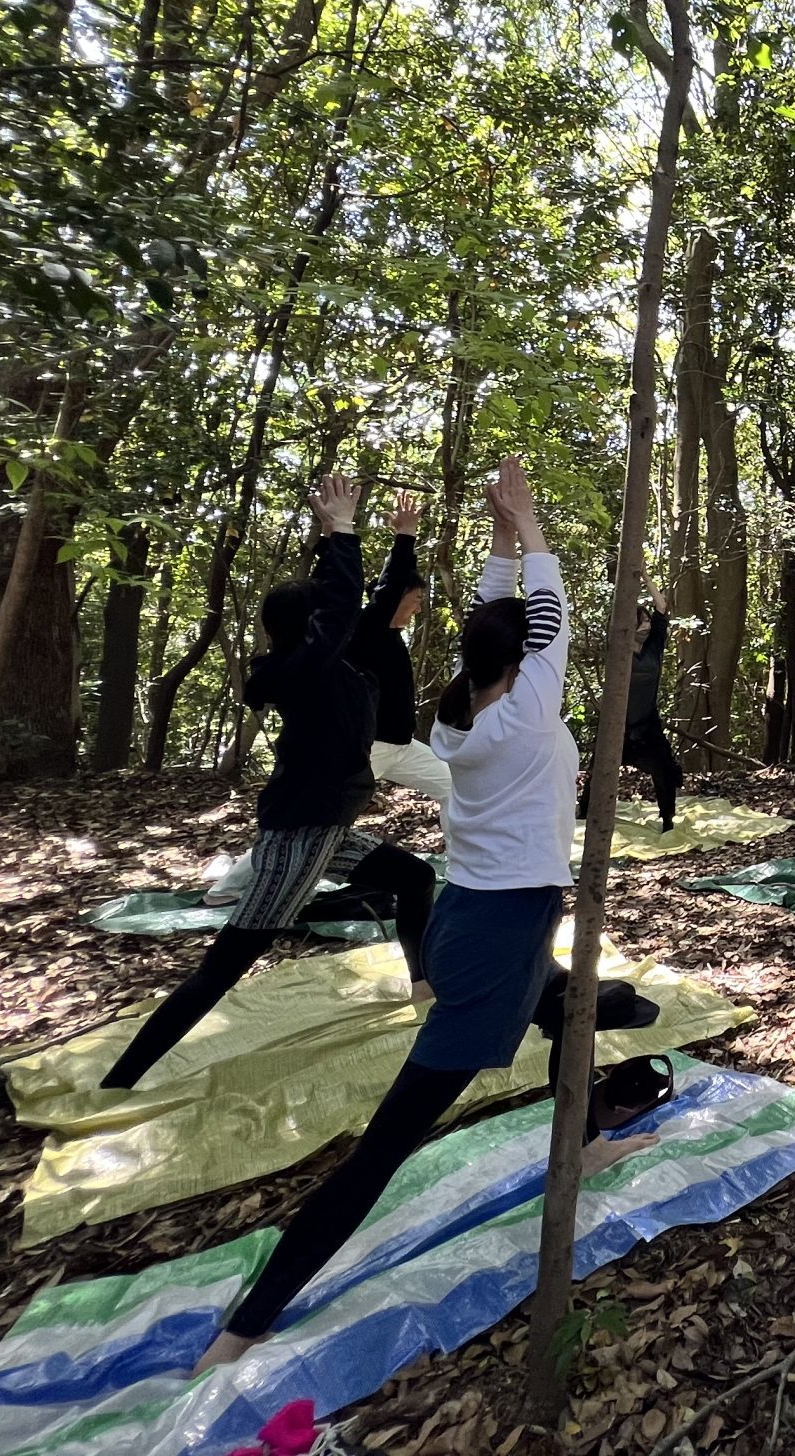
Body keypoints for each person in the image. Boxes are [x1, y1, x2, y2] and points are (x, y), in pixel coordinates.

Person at [194, 456, 656, 1372]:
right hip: (492, 939)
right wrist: (527, 524)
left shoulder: (462, 714)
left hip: (471, 920)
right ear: (522, 662)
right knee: (388, 1145)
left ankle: (591, 1131)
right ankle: (250, 1319)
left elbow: (511, 620)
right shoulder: (527, 712)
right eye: (532, 648)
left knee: (577, 1005)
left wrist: (496, 540)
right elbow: (551, 607)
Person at [102, 481, 438, 1089]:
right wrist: (342, 531)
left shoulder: (327, 662)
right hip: (302, 833)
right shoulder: (303, 670)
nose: (345, 618)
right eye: (327, 617)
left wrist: (398, 538)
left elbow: (370, 602)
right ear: (311, 626)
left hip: (325, 826)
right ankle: (120, 1079)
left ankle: (422, 983)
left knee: (413, 877)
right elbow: (339, 605)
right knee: (227, 963)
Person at [350, 492, 450, 808]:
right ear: (398, 597)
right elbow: (389, 587)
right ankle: (252, 861)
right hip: (368, 750)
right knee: (315, 823)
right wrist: (406, 535)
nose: (419, 608)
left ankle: (466, 859)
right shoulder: (369, 627)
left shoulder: (391, 634)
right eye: (417, 599)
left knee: (458, 789)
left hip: (401, 747)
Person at [621, 589, 686, 830]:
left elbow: (662, 608)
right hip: (619, 725)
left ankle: (667, 819)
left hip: (647, 724)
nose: (647, 625)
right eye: (642, 621)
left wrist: (645, 578)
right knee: (599, 772)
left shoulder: (654, 646)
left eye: (648, 621)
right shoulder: (618, 649)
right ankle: (586, 814)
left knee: (665, 769)